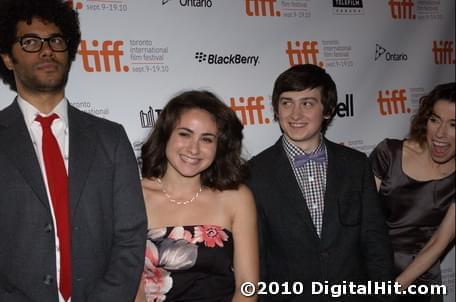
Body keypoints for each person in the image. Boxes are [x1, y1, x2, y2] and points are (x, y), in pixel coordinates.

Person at [0, 0, 147, 301]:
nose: (46, 50)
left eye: (56, 40)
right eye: (30, 42)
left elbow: (130, 235)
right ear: (7, 58)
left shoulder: (111, 138)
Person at [247, 64, 395, 301]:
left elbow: (375, 241)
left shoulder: (355, 165)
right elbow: (257, 258)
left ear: (327, 110)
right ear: (276, 109)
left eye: (307, 103)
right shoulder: (255, 173)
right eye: (286, 103)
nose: (295, 115)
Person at [136, 90, 259, 302]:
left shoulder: (236, 198)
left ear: (219, 146)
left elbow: (248, 286)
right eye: (184, 134)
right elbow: (130, 285)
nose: (194, 148)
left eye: (207, 139)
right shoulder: (134, 195)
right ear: (165, 135)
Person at [369, 82, 455, 302]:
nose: (441, 134)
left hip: (422, 279)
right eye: (435, 119)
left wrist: (393, 291)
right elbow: (362, 220)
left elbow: (439, 242)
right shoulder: (389, 153)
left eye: (454, 124)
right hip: (373, 269)